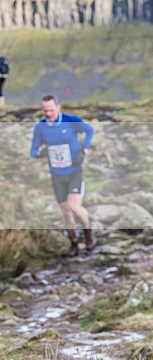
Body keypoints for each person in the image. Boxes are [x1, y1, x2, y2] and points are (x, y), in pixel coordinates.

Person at [30, 95, 97, 257]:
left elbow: (89, 130)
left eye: (51, 110)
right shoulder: (40, 127)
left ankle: (88, 233)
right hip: (57, 175)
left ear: (58, 107)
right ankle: (73, 242)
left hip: (74, 171)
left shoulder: (69, 120)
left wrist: (84, 149)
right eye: (45, 110)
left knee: (74, 207)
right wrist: (41, 153)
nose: (48, 113)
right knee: (66, 212)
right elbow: (33, 150)